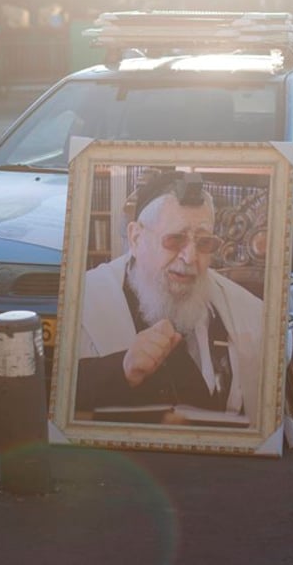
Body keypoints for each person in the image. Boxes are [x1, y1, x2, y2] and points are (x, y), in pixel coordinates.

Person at [74, 171, 262, 424]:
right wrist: (120, 370)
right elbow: (50, 392)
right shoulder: (84, 302)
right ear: (136, 239)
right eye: (175, 240)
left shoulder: (245, 308)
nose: (190, 258)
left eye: (204, 243)